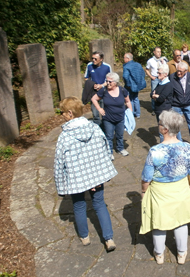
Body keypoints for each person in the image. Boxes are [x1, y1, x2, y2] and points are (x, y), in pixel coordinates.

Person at [54, 96, 117, 252]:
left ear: (69, 113)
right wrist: (104, 169)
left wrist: (61, 185)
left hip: (77, 178)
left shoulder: (64, 136)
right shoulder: (94, 128)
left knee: (79, 205)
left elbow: (58, 163)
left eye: (63, 112)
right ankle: (109, 239)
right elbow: (106, 149)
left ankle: (85, 236)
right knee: (99, 204)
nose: (62, 115)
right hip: (95, 175)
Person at [140, 109, 190, 265]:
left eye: (159, 123)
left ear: (165, 129)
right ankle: (181, 254)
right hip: (180, 187)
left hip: (160, 191)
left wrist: (144, 191)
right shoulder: (187, 148)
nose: (158, 126)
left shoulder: (155, 151)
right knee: (181, 220)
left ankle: (159, 255)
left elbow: (146, 177)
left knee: (159, 222)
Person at [91, 72, 132, 158]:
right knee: (109, 136)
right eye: (107, 81)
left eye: (110, 81)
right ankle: (109, 152)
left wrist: (130, 112)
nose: (108, 83)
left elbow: (127, 101)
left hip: (120, 118)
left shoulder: (122, 90)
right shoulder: (104, 90)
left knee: (120, 135)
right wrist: (99, 109)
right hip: (108, 118)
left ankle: (120, 148)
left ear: (116, 82)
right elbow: (94, 99)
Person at [170, 61, 190, 151]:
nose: (178, 73)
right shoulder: (172, 77)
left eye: (181, 71)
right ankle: (179, 143)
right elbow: (170, 92)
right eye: (177, 70)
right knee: (177, 125)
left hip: (188, 105)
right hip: (176, 106)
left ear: (186, 71)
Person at [84, 51, 112, 126]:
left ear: (101, 59)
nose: (93, 60)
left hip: (104, 91)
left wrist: (102, 85)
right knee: (95, 113)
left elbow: (110, 80)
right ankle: (97, 127)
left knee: (104, 112)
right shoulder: (89, 65)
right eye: (92, 58)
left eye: (95, 59)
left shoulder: (107, 67)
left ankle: (105, 127)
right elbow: (86, 78)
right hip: (93, 92)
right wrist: (92, 85)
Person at [151, 64, 173, 142]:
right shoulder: (160, 83)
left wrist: (156, 96)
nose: (158, 74)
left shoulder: (168, 85)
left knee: (165, 130)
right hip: (158, 110)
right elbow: (151, 94)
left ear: (165, 74)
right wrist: (155, 96)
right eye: (158, 72)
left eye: (159, 73)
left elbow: (161, 98)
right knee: (161, 130)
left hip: (164, 111)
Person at [123, 53, 146, 119]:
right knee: (135, 98)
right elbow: (143, 74)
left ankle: (132, 113)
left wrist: (128, 84)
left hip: (130, 86)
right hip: (137, 85)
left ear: (128, 58)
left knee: (130, 100)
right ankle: (138, 113)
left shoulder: (126, 66)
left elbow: (125, 76)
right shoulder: (138, 65)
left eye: (124, 58)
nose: (124, 59)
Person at [146, 47, 168, 116]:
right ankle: (154, 108)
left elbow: (166, 68)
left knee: (162, 93)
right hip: (155, 79)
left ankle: (162, 106)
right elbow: (147, 69)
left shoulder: (163, 60)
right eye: (158, 51)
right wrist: (151, 76)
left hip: (162, 79)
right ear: (154, 52)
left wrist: (163, 62)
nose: (159, 53)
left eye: (160, 51)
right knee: (154, 93)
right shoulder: (150, 61)